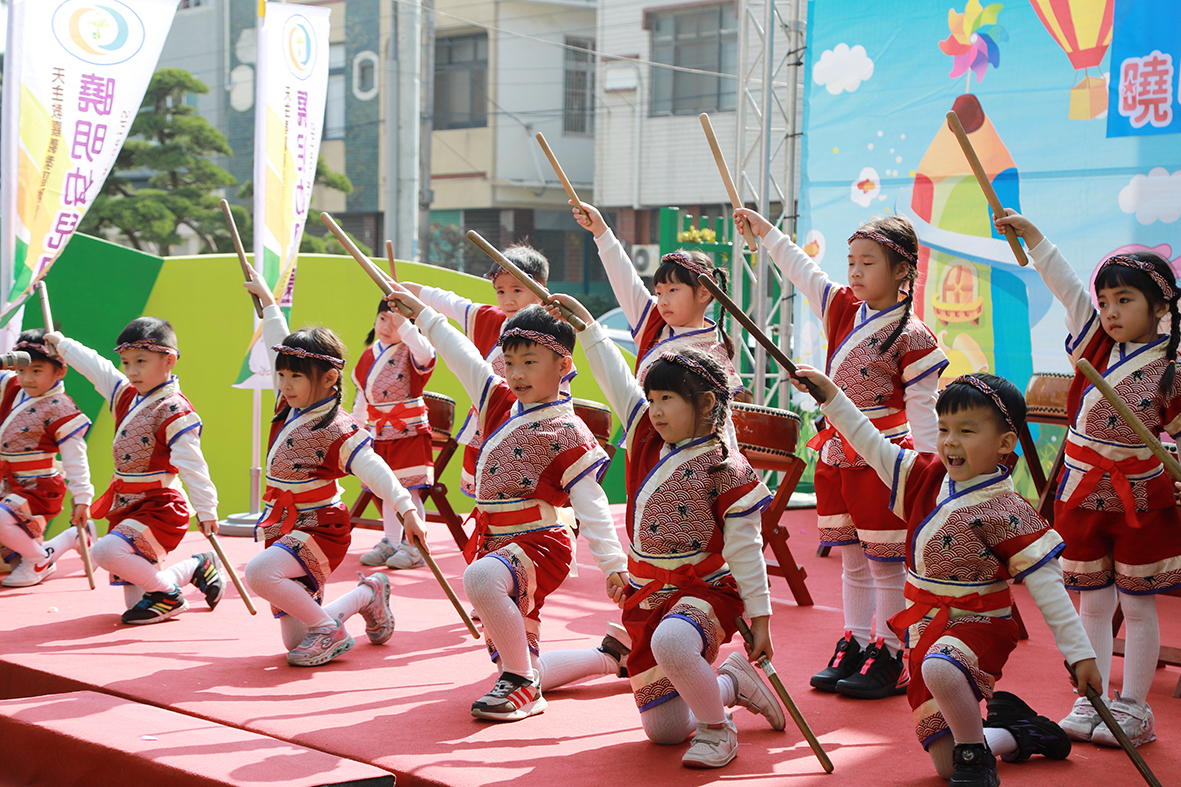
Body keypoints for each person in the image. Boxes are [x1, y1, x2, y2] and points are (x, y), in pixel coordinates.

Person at [793, 366, 1101, 786]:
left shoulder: (1009, 510)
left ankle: (977, 756)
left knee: (942, 672)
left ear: (1005, 444)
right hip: (922, 629)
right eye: (944, 429)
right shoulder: (924, 476)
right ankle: (1018, 732)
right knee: (944, 763)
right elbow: (867, 441)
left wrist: (1081, 656)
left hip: (978, 625)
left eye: (967, 431)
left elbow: (1049, 588)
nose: (951, 441)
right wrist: (831, 396)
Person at [546, 292, 785, 769]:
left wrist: (761, 617)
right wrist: (591, 330)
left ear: (707, 402)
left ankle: (719, 732)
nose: (653, 409)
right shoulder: (646, 441)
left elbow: (747, 550)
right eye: (651, 399)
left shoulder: (728, 468)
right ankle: (733, 684)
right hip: (646, 595)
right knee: (667, 732)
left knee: (673, 642)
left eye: (667, 399)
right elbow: (617, 381)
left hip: (706, 593)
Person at [386, 282, 628, 722]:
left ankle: (522, 688)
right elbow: (461, 355)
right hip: (496, 543)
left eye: (529, 362)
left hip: (543, 543)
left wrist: (614, 567)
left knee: (480, 580)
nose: (515, 373)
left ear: (563, 365)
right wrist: (423, 314)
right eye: (510, 362)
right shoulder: (498, 402)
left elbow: (592, 506)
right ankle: (607, 657)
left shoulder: (569, 432)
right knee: (516, 654)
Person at [735, 207, 948, 699]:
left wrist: (928, 474)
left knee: (885, 562)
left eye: (867, 262)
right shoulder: (843, 309)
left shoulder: (914, 337)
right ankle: (855, 641)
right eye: (851, 260)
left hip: (883, 459)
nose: (854, 271)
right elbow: (803, 269)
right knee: (852, 558)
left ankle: (893, 651)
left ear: (902, 271)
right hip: (835, 455)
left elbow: (924, 413)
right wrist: (766, 232)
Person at [996, 209, 1180, 748]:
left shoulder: (1174, 366)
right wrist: (1035, 237)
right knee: (1093, 602)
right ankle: (1093, 698)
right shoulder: (1095, 342)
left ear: (1160, 304)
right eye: (1106, 302)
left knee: (1139, 604)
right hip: (1081, 492)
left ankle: (1135, 709)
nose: (1110, 311)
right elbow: (1068, 286)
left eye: (1125, 300)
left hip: (1140, 496)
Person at [241, 274, 427, 667]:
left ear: (328, 379)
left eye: (296, 376)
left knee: (258, 574)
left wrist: (405, 507)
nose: (286, 383)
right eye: (283, 374)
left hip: (318, 527)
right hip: (283, 524)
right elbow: (280, 338)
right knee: (294, 641)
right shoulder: (287, 404)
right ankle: (368, 594)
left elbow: (374, 467)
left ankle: (331, 632)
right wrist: (268, 302)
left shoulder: (339, 428)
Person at [47, 319, 224, 624]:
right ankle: (196, 568)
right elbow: (97, 367)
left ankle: (170, 596)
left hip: (160, 506)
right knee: (137, 601)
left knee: (105, 552)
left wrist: (207, 509)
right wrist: (63, 345)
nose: (131, 371)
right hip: (126, 504)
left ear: (169, 360)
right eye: (126, 362)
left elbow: (192, 465)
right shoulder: (125, 395)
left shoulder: (175, 410)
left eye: (141, 362)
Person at [399, 245, 572, 497]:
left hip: (535, 430)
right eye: (500, 291)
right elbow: (445, 300)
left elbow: (561, 388)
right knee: (487, 501)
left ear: (541, 292)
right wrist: (404, 288)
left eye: (517, 290)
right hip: (488, 424)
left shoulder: (555, 330)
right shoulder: (485, 318)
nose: (508, 299)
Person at [574, 202, 742, 394]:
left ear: (704, 292)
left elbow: (725, 420)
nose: (662, 301)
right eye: (659, 292)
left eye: (672, 290)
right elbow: (625, 279)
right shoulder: (654, 322)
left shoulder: (714, 357)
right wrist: (601, 231)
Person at [0, 329, 94, 588]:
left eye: (37, 370)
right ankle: (74, 538)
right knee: (13, 559)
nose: (27, 379)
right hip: (8, 485)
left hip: (39, 489)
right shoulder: (11, 385)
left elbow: (76, 458)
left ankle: (41, 559)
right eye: (21, 370)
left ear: (60, 371)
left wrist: (82, 498)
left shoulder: (62, 409)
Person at [353, 297, 437, 571]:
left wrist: (406, 324)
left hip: (409, 431)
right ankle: (390, 540)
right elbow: (361, 399)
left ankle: (415, 547)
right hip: (379, 433)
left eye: (395, 322)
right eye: (382, 319)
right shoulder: (368, 355)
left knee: (409, 491)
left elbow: (427, 352)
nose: (387, 326)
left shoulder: (412, 352)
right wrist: (357, 429)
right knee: (387, 490)